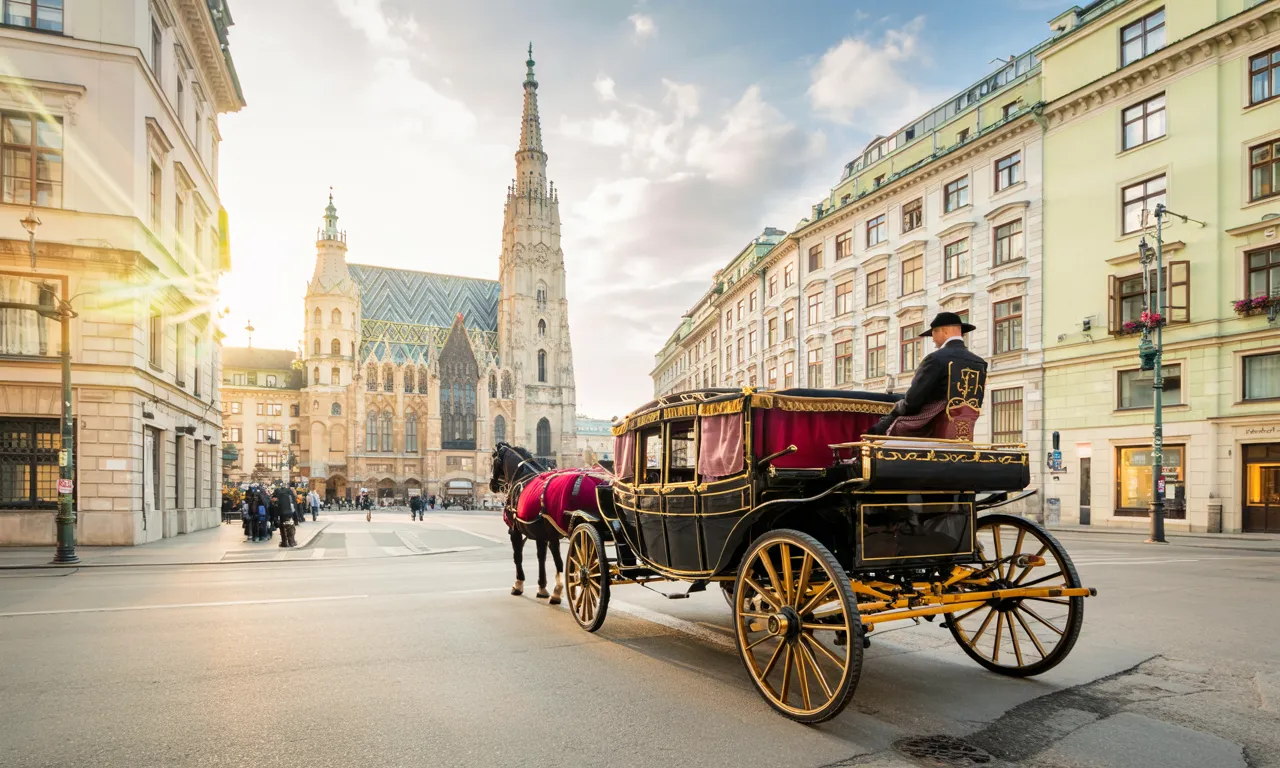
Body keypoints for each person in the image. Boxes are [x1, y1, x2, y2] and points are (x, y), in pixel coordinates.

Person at [867, 311, 988, 439]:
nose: (933, 340)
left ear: (943, 331)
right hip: (964, 434)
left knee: (881, 429)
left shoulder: (935, 359)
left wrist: (895, 410)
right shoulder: (980, 363)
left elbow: (912, 402)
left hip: (932, 431)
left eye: (933, 333)